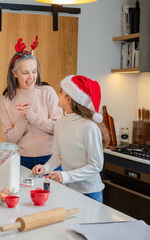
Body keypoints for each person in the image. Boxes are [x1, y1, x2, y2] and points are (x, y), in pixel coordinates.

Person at [32, 75, 110, 203]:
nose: (58, 94)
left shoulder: (89, 127)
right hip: (69, 190)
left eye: (61, 91)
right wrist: (45, 168)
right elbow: (58, 156)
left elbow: (96, 165)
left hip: (90, 194)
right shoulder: (60, 123)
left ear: (69, 99)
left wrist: (66, 176)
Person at [0, 36, 63, 170]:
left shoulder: (47, 92)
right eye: (25, 73)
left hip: (50, 159)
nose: (31, 78)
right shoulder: (7, 98)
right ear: (14, 73)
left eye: (34, 71)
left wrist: (32, 117)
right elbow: (9, 138)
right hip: (21, 159)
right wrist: (23, 119)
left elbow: (59, 128)